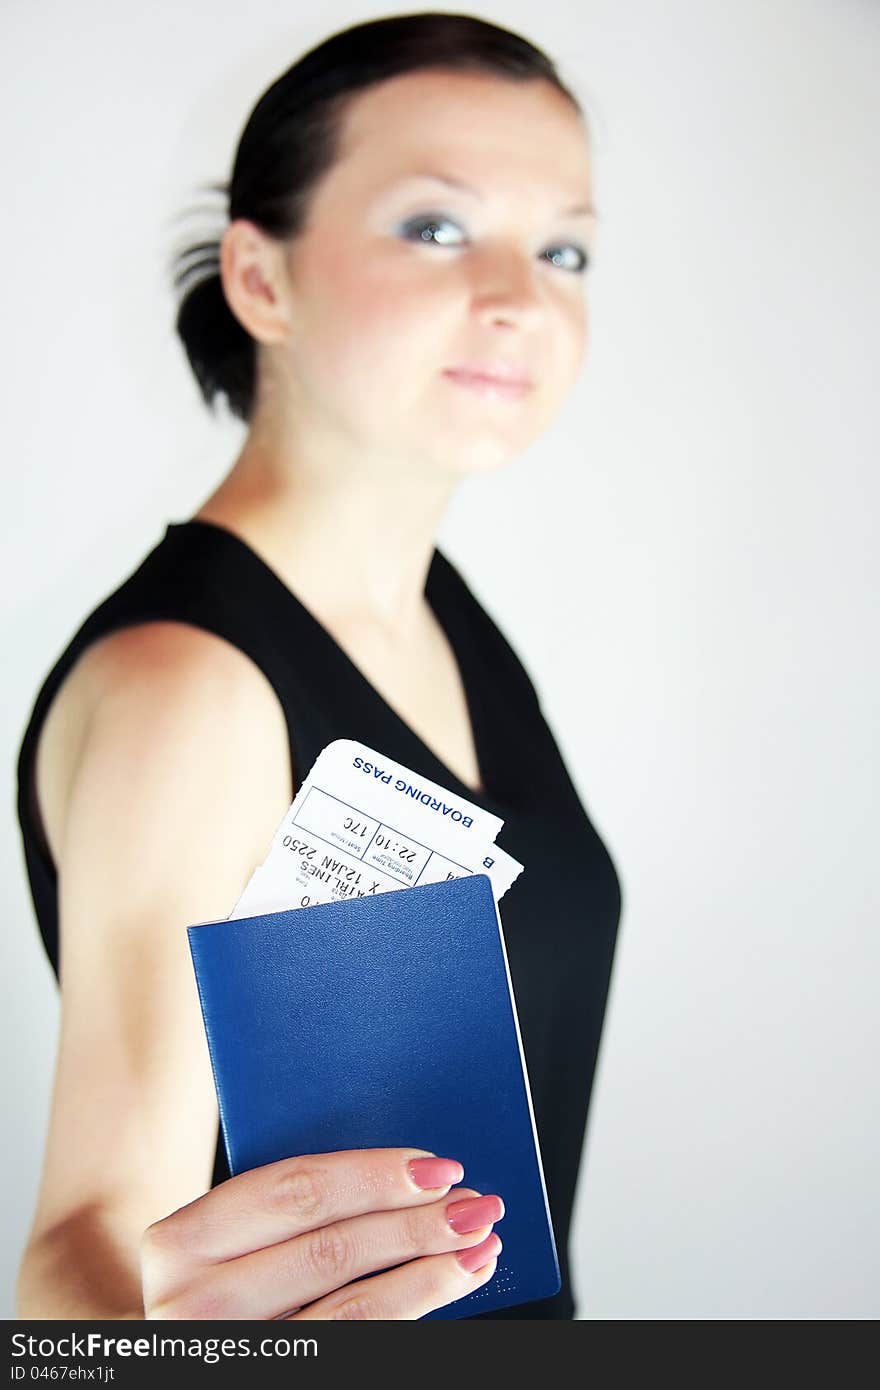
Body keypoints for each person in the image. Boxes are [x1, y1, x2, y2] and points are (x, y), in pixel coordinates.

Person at [14, 12, 622, 1320]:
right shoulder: (193, 688)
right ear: (261, 280)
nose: (520, 293)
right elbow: (80, 1261)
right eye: (437, 226)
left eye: (563, 246)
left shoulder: (441, 615)